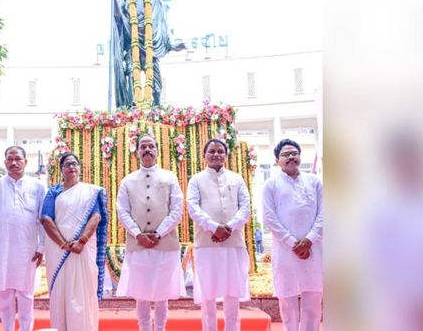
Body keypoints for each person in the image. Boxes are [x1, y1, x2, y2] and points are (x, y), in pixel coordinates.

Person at [116, 134, 186, 331]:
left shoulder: (169, 177)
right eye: (143, 147)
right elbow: (122, 210)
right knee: (142, 294)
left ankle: (161, 328)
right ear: (137, 151)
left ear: (157, 150)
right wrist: (138, 234)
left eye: (151, 146)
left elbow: (177, 209)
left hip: (165, 243)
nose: (147, 150)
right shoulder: (128, 181)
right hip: (138, 244)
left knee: (162, 294)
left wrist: (160, 233)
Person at [187, 139, 251, 331]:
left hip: (233, 243)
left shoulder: (237, 178)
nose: (216, 154)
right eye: (212, 151)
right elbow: (192, 207)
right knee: (208, 295)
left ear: (226, 155)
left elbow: (245, 208)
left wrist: (228, 228)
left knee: (232, 295)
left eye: (220, 151)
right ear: (204, 155)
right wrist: (214, 227)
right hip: (206, 243)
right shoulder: (196, 180)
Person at [40, 152, 109, 331]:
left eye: (74, 164)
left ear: (79, 168)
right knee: (61, 291)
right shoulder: (53, 192)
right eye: (67, 165)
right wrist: (64, 244)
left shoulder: (89, 192)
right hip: (59, 250)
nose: (71, 167)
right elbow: (46, 219)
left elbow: (96, 217)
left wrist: (81, 241)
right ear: (61, 170)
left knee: (83, 292)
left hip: (83, 249)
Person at [0, 146, 46, 331]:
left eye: (18, 159)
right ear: (4, 163)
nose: (13, 163)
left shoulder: (38, 186)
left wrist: (41, 247)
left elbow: (43, 220)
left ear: (26, 162)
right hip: (1, 250)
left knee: (26, 295)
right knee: (4, 296)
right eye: (9, 159)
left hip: (27, 250)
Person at [262, 139, 323, 331]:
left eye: (294, 153)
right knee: (287, 301)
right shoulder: (270, 185)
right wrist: (292, 242)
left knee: (313, 300)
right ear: (276, 160)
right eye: (285, 154)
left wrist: (309, 239)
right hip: (285, 250)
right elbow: (269, 217)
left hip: (314, 248)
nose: (291, 157)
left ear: (299, 156)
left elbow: (325, 212)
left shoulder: (314, 182)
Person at [109, 0, 185, 109]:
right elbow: (117, 17)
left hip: (152, 47)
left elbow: (164, 26)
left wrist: (172, 44)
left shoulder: (155, 2)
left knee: (156, 84)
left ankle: (156, 109)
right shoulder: (124, 2)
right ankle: (133, 111)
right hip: (133, 46)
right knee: (132, 79)